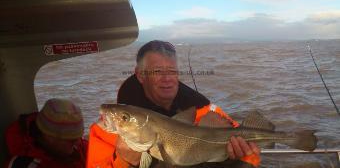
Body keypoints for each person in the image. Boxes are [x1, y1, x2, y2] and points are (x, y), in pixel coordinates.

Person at [87, 40, 261, 168]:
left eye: (172, 71)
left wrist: (239, 156)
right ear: (140, 75)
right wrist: (125, 161)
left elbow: (252, 152)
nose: (167, 79)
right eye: (157, 71)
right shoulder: (110, 126)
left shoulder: (204, 110)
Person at [5, 98, 87, 168]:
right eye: (71, 140)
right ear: (48, 136)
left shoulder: (73, 147)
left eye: (78, 136)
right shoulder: (25, 165)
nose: (77, 142)